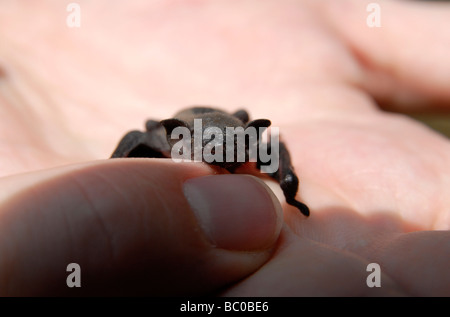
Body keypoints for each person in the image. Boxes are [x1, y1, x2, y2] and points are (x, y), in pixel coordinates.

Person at [0, 0, 449, 296]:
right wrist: (116, 169)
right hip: (185, 123)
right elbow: (143, 135)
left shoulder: (247, 142)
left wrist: (288, 189)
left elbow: (269, 145)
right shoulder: (170, 138)